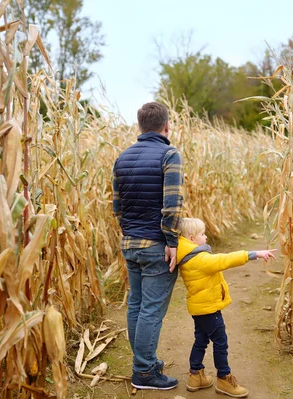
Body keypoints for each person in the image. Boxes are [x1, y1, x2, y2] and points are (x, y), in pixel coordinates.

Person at [112, 102, 184, 390]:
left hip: (130, 243)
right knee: (151, 309)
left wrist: (129, 233)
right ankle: (143, 372)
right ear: (166, 126)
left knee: (137, 305)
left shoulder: (123, 157)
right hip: (156, 245)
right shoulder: (169, 154)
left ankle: (145, 362)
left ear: (140, 126)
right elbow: (172, 204)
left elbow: (117, 207)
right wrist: (171, 241)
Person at [176, 218, 276, 398]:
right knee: (220, 342)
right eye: (202, 234)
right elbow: (225, 260)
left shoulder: (186, 256)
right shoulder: (199, 259)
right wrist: (254, 254)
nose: (206, 237)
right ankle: (224, 377)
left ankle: (195, 376)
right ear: (191, 238)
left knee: (201, 339)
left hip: (200, 309)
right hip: (209, 309)